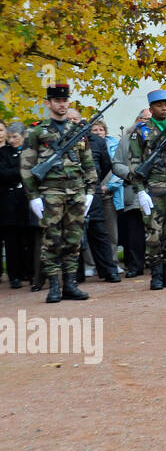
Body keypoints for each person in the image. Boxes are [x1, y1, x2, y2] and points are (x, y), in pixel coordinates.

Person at [20, 85, 97, 302]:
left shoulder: (77, 130)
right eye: (57, 101)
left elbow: (88, 162)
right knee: (52, 239)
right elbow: (26, 166)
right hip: (50, 192)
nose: (62, 104)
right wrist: (33, 196)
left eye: (65, 101)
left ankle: (70, 284)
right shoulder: (36, 131)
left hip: (76, 192)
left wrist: (90, 190)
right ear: (48, 103)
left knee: (73, 240)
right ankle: (54, 285)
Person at [126, 89, 166, 292]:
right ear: (151, 108)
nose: (164, 108)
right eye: (159, 105)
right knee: (154, 234)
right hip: (153, 189)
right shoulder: (142, 131)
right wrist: (139, 190)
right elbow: (135, 163)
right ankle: (156, 274)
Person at [111, 113, 149, 278]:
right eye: (142, 119)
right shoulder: (126, 140)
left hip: (155, 190)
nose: (145, 122)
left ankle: (158, 263)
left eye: (148, 119)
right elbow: (116, 164)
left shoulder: (160, 137)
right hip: (133, 191)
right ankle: (135, 265)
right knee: (134, 233)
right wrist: (132, 174)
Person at [82, 118, 120, 283]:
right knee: (73, 234)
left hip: (93, 191)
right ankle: (76, 273)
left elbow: (106, 165)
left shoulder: (97, 141)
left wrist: (94, 184)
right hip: (69, 191)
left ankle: (108, 270)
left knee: (99, 231)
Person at [2, 123, 35, 289]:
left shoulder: (30, 151)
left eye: (15, 136)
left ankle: (31, 272)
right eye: (10, 137)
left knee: (29, 238)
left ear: (23, 136)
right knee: (12, 240)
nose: (12, 140)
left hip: (27, 199)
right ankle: (14, 275)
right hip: (10, 201)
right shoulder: (3, 153)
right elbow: (3, 173)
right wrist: (23, 171)